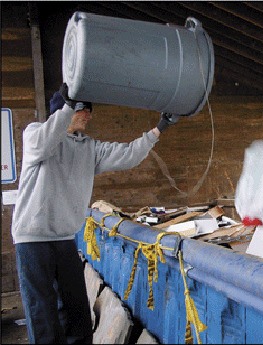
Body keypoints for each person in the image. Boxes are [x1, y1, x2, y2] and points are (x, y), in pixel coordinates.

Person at [11, 83, 180, 344]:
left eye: (89, 110)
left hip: (65, 237)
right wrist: (68, 104)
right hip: (32, 239)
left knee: (76, 309)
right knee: (42, 313)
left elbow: (127, 155)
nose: (88, 114)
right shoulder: (35, 135)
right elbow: (47, 138)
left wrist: (159, 129)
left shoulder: (89, 148)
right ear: (63, 111)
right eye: (82, 109)